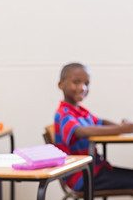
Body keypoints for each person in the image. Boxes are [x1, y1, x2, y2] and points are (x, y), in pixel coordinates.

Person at [54, 62, 133, 191]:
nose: (83, 88)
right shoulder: (63, 113)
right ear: (61, 85)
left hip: (95, 169)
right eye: (76, 82)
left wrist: (123, 126)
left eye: (86, 84)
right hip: (81, 176)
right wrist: (122, 129)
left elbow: (101, 122)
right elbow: (80, 131)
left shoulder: (81, 112)